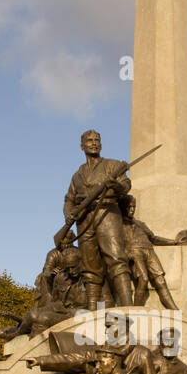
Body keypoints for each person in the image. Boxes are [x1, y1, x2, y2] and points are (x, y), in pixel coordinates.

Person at [60, 129, 135, 309]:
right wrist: (69, 214)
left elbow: (126, 185)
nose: (94, 143)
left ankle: (128, 308)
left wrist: (115, 185)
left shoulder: (112, 165)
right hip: (84, 220)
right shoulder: (77, 175)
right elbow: (69, 198)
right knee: (90, 265)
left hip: (107, 213)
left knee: (116, 259)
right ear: (82, 146)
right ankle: (93, 309)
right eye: (89, 140)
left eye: (97, 140)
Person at [121, 195, 180, 310]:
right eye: (129, 207)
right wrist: (127, 254)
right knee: (143, 279)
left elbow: (153, 238)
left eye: (134, 207)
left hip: (149, 250)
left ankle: (174, 310)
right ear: (123, 208)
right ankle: (136, 310)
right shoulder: (119, 225)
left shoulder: (140, 224)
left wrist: (173, 242)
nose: (132, 209)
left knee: (161, 280)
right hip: (135, 251)